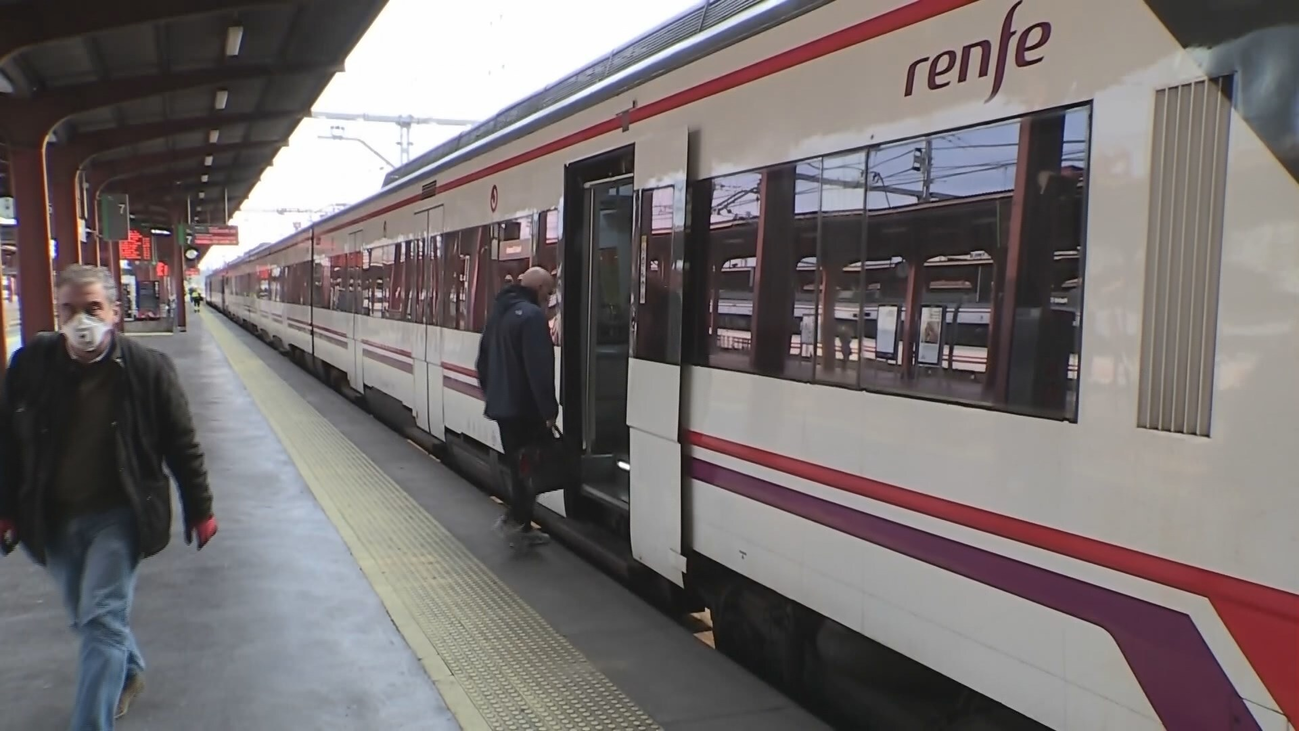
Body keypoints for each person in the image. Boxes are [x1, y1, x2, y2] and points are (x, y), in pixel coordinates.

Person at [0, 264, 218, 730]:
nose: (82, 320)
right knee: (88, 617)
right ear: (57, 313)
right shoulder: (30, 366)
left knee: (100, 619)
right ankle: (130, 669)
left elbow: (182, 443)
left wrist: (201, 509)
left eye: (93, 308)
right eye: (71, 309)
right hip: (52, 518)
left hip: (121, 514)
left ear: (114, 313)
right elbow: (8, 443)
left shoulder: (148, 370)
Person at [476, 266, 559, 549]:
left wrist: (493, 394)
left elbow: (482, 360)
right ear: (538, 290)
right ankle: (517, 523)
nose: (549, 299)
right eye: (548, 293)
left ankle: (516, 521)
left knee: (517, 464)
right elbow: (539, 368)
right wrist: (549, 410)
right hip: (525, 408)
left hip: (503, 407)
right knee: (529, 468)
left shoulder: (500, 312)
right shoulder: (533, 317)